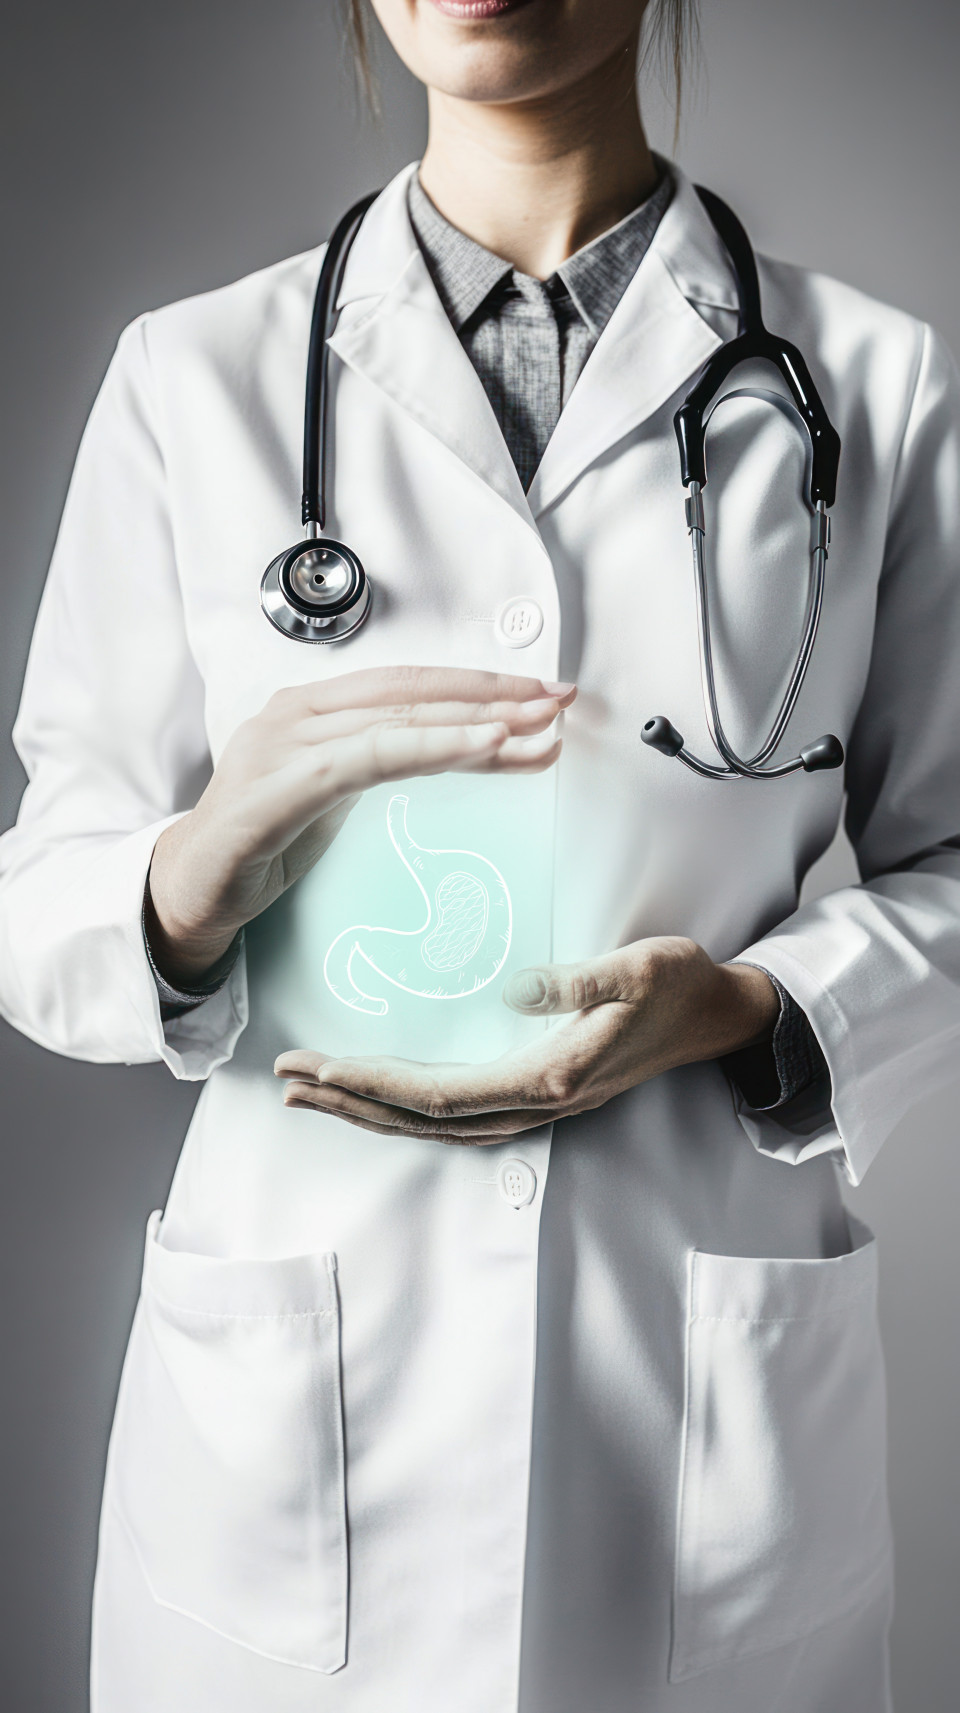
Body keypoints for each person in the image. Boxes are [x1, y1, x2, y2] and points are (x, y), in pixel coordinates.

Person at [1, 0, 959, 1707]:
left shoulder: (875, 384)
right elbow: (39, 893)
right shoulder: (194, 379)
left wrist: (754, 1007)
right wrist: (191, 873)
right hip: (289, 1436)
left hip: (689, 1413)